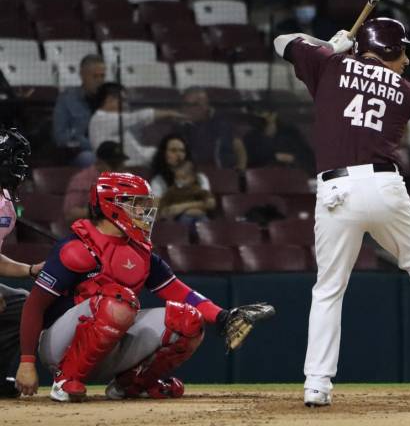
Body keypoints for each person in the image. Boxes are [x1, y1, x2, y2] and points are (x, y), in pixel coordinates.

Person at [273, 17, 410, 407]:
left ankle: (317, 384)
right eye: (402, 51)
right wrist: (336, 52)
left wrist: (327, 46)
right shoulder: (407, 92)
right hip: (385, 185)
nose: (407, 60)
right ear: (388, 50)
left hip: (336, 190)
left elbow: (281, 40)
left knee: (329, 288)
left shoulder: (329, 65)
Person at [14, 172, 275, 401]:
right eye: (136, 204)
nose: (143, 211)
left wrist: (222, 316)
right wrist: (27, 362)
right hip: (59, 346)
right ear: (111, 205)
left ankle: (131, 384)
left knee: (189, 319)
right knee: (119, 300)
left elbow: (180, 292)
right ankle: (65, 381)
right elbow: (34, 305)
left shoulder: (140, 251)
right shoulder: (75, 248)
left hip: (108, 343)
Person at [0, 129, 44, 398]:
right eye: (15, 159)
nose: (20, 166)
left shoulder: (5, 200)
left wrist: (29, 270)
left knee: (23, 305)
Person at [88, 83, 185, 167]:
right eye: (123, 100)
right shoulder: (101, 119)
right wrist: (169, 113)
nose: (125, 105)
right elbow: (138, 117)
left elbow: (139, 151)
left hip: (138, 161)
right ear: (110, 99)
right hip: (124, 167)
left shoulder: (112, 120)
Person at [52, 55, 107, 167]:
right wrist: (80, 139)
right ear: (82, 75)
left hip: (109, 150)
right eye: (95, 76)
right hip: (82, 153)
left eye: (102, 76)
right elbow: (59, 137)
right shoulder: (67, 99)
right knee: (89, 158)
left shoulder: (110, 99)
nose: (100, 81)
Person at [178, 88, 247, 171]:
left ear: (205, 106)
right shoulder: (182, 126)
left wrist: (240, 172)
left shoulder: (222, 122)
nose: (187, 109)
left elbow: (239, 147)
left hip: (223, 172)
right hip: (193, 172)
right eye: (185, 105)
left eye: (193, 105)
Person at [62, 141, 128, 223]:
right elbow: (70, 214)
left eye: (120, 164)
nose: (119, 169)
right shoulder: (82, 180)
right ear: (100, 163)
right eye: (114, 165)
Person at [242, 111, 315, 175]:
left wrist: (293, 159)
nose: (262, 116)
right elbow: (246, 162)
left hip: (291, 178)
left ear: (273, 114)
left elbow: (308, 158)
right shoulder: (250, 138)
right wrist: (274, 157)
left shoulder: (290, 134)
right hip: (260, 180)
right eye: (258, 113)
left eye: (264, 112)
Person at [157, 160, 215, 226]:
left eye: (183, 178)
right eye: (177, 178)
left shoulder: (196, 189)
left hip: (199, 215)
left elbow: (207, 198)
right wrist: (165, 210)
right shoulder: (172, 191)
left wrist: (209, 199)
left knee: (206, 221)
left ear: (192, 178)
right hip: (182, 217)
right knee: (184, 221)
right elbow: (164, 203)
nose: (180, 181)